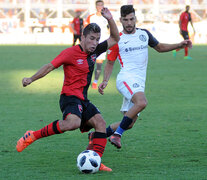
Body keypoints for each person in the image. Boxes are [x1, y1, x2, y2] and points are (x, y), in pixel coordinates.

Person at [16, 7, 119, 172]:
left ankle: (96, 161)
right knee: (73, 123)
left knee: (100, 123)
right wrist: (31, 79)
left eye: (97, 39)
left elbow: (115, 37)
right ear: (83, 37)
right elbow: (50, 66)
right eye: (91, 39)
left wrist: (110, 19)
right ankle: (32, 135)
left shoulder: (95, 51)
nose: (94, 43)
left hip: (83, 99)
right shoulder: (70, 53)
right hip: (69, 97)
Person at [86, 5, 192, 150]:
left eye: (131, 19)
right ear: (121, 20)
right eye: (125, 20)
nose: (129, 23)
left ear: (135, 18)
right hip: (126, 79)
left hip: (139, 82)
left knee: (128, 123)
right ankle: (116, 135)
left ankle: (97, 135)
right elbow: (110, 62)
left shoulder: (144, 34)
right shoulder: (117, 39)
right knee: (141, 102)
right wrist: (105, 80)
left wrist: (179, 44)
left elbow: (159, 47)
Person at [86, 0, 109, 89]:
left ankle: (95, 82)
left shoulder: (106, 18)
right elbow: (86, 30)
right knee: (90, 63)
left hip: (102, 44)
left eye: (101, 5)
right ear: (96, 7)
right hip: (91, 44)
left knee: (99, 64)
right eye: (98, 5)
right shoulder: (91, 17)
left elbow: (109, 29)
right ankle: (86, 81)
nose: (100, 7)